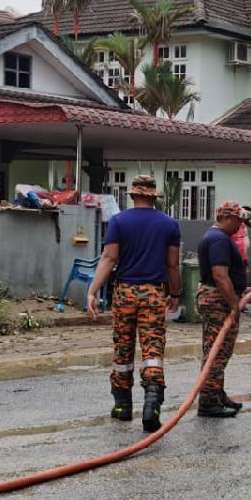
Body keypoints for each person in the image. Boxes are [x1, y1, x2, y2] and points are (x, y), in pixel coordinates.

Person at [87, 175, 181, 433]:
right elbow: (173, 264)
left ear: (132, 195)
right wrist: (176, 293)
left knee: (123, 348)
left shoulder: (119, 221)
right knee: (152, 349)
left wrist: (92, 291)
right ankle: (152, 404)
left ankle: (122, 407)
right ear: (153, 196)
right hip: (154, 293)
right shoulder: (169, 224)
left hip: (124, 292)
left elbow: (108, 258)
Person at [196, 201, 251, 418]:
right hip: (218, 301)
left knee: (217, 351)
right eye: (239, 220)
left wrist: (243, 289)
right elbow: (220, 276)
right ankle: (209, 402)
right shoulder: (218, 239)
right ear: (227, 218)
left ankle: (216, 394)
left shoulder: (217, 237)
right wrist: (234, 304)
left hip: (218, 299)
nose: (241, 225)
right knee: (217, 352)